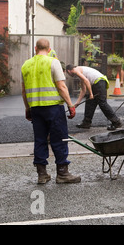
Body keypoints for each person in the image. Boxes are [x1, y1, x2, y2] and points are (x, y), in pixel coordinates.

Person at [21, 38, 81, 184]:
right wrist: (70, 105)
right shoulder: (52, 62)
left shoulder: (26, 65)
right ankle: (62, 174)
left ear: (35, 48)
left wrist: (28, 108)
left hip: (36, 108)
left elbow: (24, 91)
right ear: (49, 49)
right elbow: (61, 87)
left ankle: (42, 175)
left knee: (40, 140)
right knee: (59, 139)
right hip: (53, 108)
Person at [65, 65, 122, 130]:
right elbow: (83, 90)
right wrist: (77, 103)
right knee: (90, 102)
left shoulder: (76, 71)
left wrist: (91, 94)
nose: (69, 75)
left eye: (68, 73)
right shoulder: (79, 71)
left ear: (69, 71)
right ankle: (86, 122)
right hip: (97, 83)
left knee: (102, 103)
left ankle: (116, 122)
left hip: (99, 82)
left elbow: (86, 81)